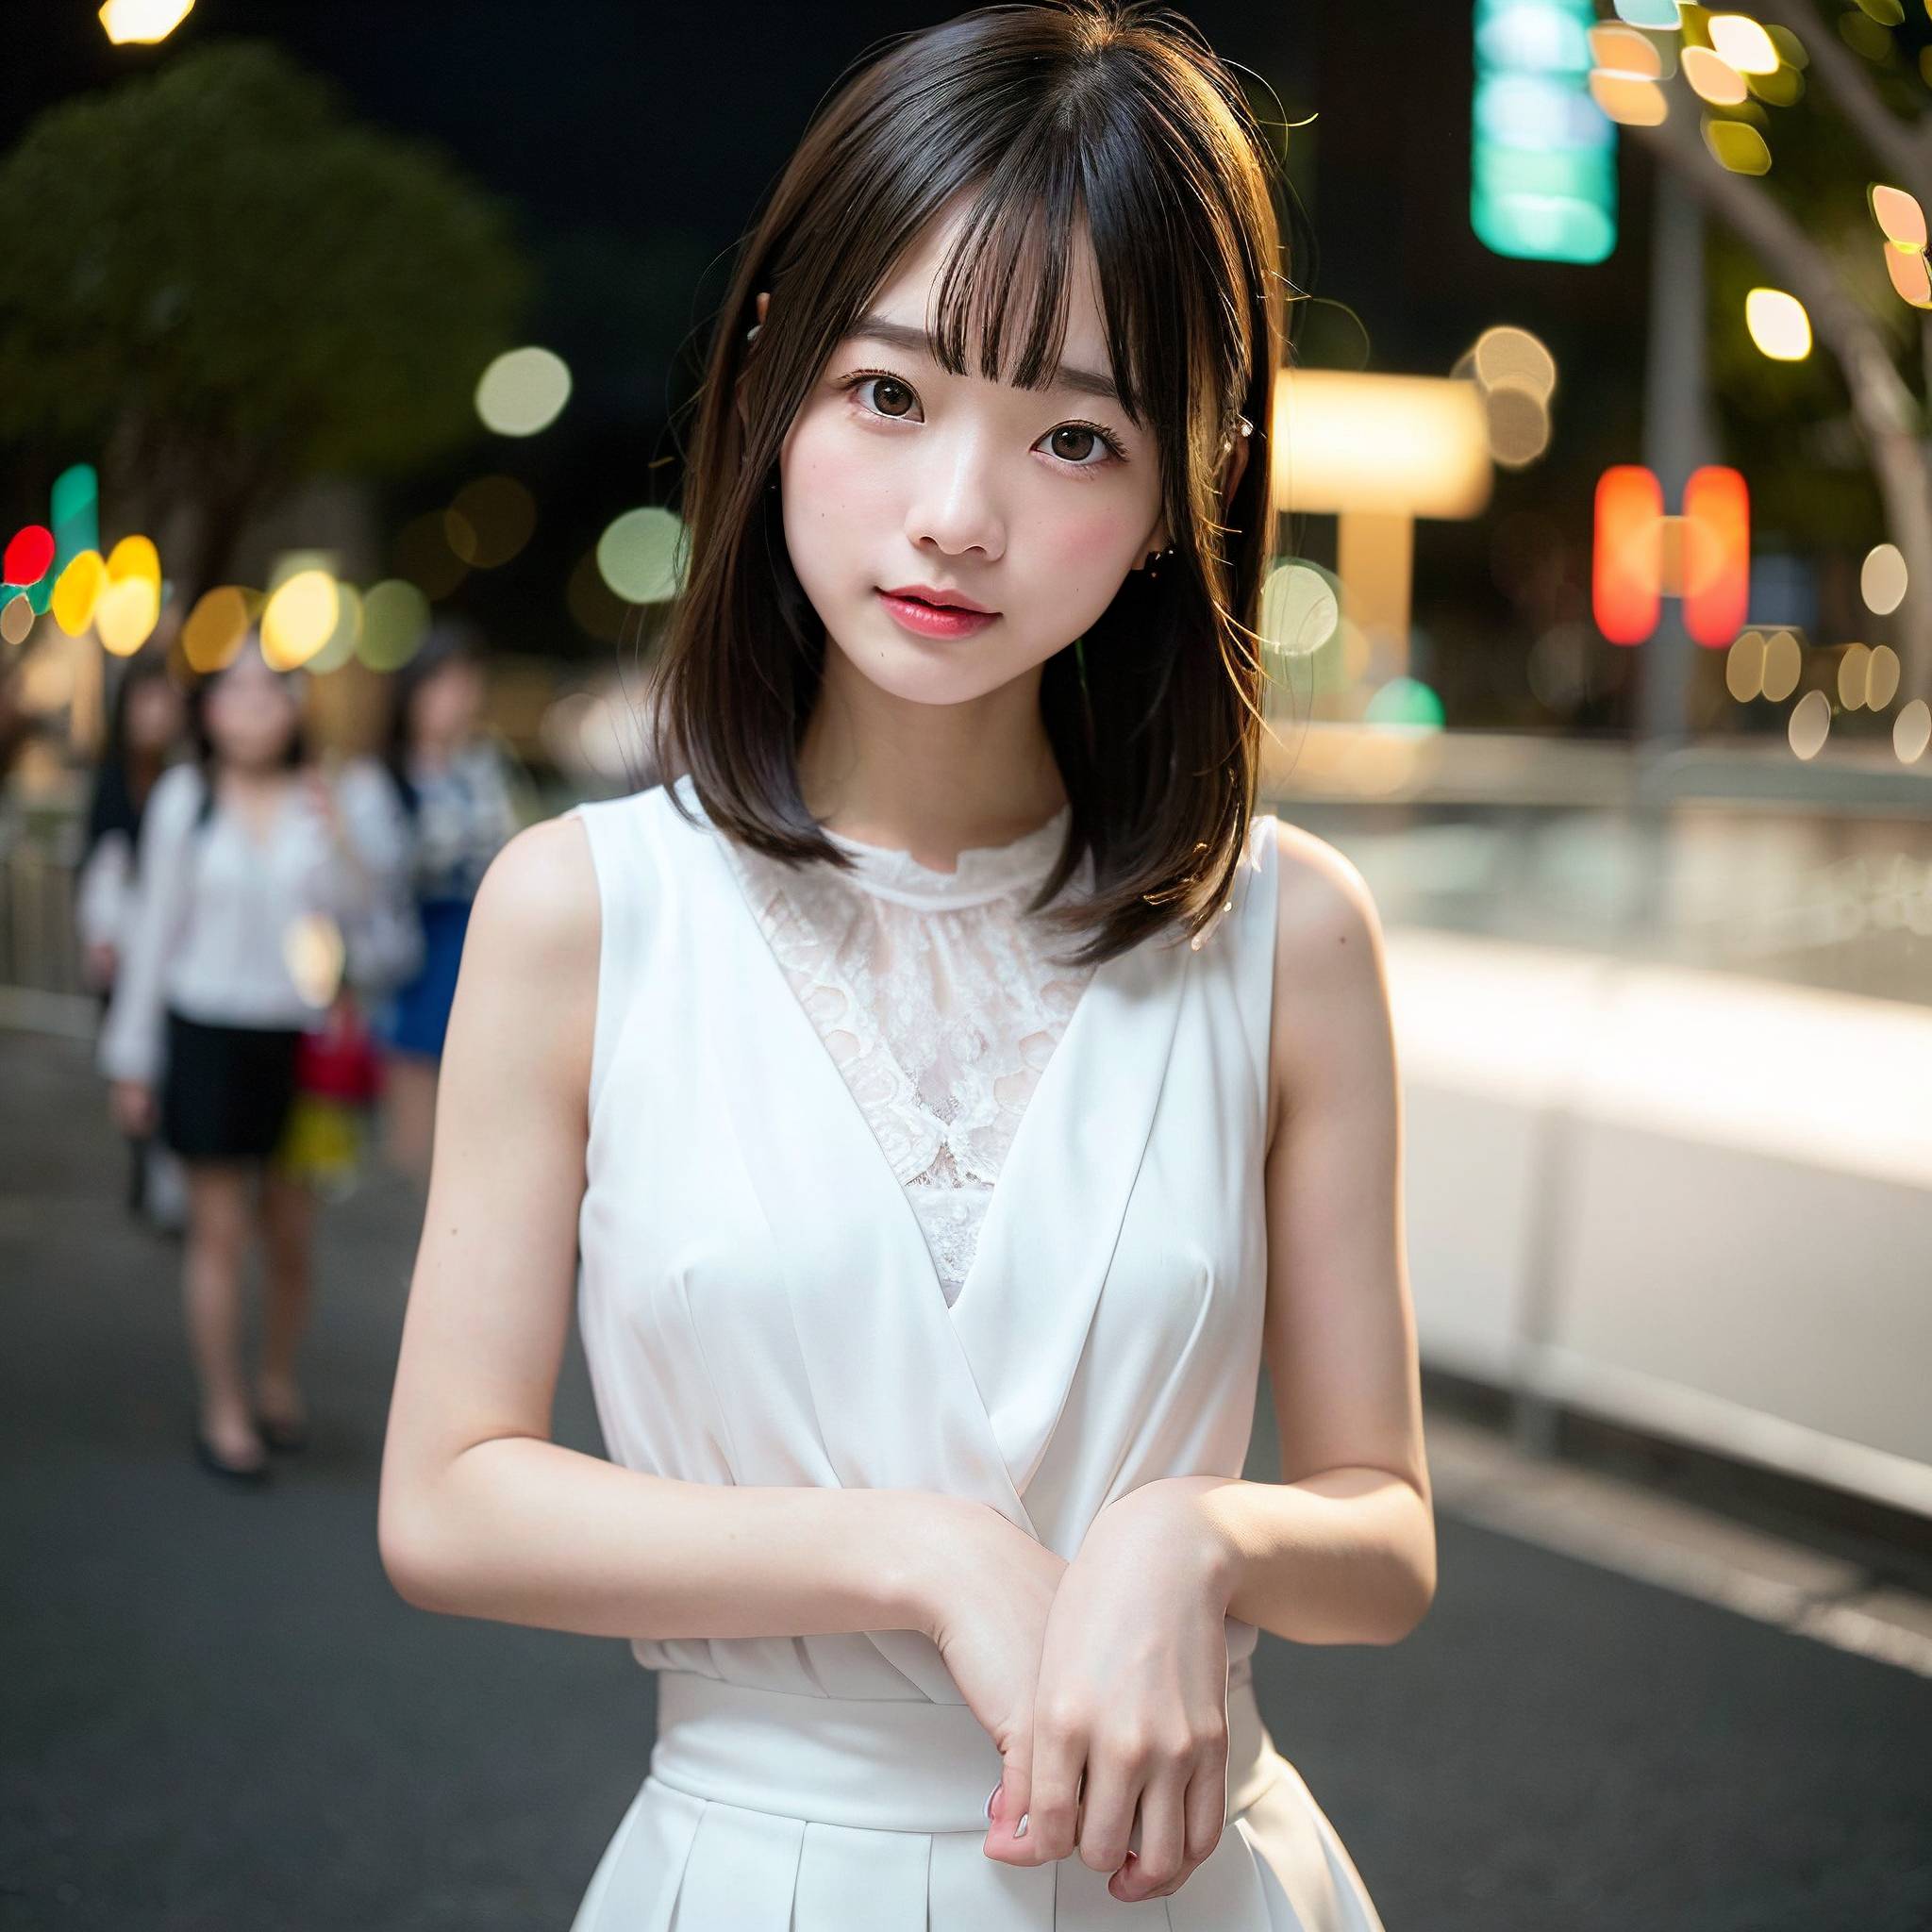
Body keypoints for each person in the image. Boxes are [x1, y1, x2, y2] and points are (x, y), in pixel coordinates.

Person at [379, 5, 1434, 1925]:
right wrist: (919, 1551)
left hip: (1189, 1883)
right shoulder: (586, 908)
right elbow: (445, 1493)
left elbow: (1386, 1531)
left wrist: (1191, 1534)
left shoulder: (1285, 932)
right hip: (760, 1865)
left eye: (1074, 435)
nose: (959, 511)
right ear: (772, 378)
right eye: (890, 392)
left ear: (1184, 492)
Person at [100, 635, 411, 1483]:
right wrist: (132, 1061)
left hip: (299, 1038)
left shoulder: (323, 797)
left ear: (294, 707)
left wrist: (341, 836)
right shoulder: (185, 800)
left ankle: (276, 1379)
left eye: (267, 690)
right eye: (231, 691)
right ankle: (224, 1406)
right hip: (204, 1030)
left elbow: (362, 916)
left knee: (292, 1234)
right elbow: (152, 933)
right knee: (218, 1232)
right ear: (207, 711)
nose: (249, 706)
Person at [370, 619, 526, 1181]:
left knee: (479, 1125)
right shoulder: (385, 776)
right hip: (415, 953)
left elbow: (512, 846)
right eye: (442, 683)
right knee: (416, 1138)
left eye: (465, 683)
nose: (456, 699)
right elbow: (380, 877)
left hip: (482, 945)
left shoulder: (485, 765)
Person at [75, 647, 191, 1228]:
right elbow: (98, 861)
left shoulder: (188, 780)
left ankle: (168, 1170)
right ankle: (147, 1165)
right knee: (131, 1057)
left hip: (175, 944)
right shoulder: (112, 778)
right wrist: (99, 934)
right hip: (122, 942)